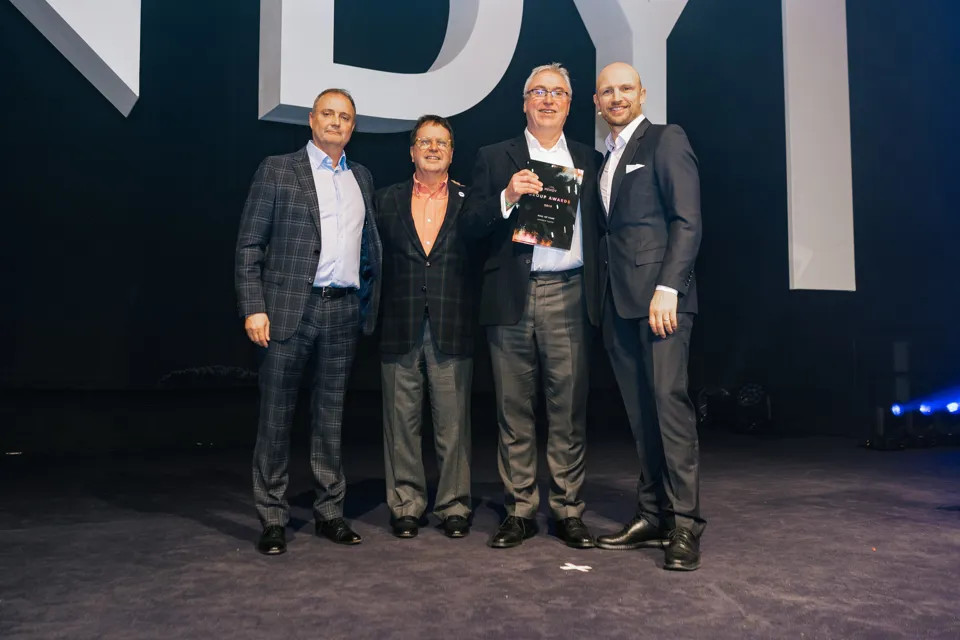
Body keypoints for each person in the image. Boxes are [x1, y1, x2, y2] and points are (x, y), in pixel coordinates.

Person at [235, 88, 382, 555]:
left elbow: (369, 251)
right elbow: (249, 247)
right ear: (312, 121)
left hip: (342, 310)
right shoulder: (278, 170)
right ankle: (273, 517)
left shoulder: (362, 176)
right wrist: (253, 306)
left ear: (352, 127)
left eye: (345, 117)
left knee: (331, 416)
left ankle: (330, 511)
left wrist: (367, 302)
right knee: (277, 416)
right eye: (328, 114)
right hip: (286, 310)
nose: (336, 123)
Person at [462, 63, 602, 549]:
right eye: (537, 92)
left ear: (569, 104)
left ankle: (567, 509)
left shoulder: (590, 158)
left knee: (568, 410)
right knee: (513, 409)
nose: (547, 99)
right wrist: (506, 195)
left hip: (570, 292)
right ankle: (519, 509)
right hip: (512, 297)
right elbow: (470, 224)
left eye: (557, 92)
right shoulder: (494, 156)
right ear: (524, 102)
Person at [591, 62, 705, 570]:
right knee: (641, 415)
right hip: (617, 303)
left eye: (625, 89)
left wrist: (668, 288)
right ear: (597, 101)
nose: (617, 97)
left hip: (661, 303)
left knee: (669, 408)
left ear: (642, 93)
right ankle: (652, 513)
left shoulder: (665, 139)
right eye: (608, 91)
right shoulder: (606, 158)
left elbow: (687, 221)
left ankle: (684, 525)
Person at [375, 115, 473, 539]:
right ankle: (407, 504)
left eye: (442, 142)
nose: (433, 148)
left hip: (453, 323)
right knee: (401, 424)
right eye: (425, 141)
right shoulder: (384, 200)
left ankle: (454, 505)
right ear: (411, 151)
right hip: (398, 324)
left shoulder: (473, 201)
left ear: (452, 152)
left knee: (453, 424)